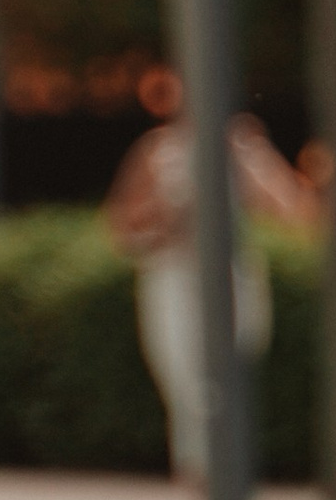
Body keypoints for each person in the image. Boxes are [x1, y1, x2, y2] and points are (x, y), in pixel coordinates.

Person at [103, 107, 318, 480]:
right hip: (172, 272)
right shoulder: (158, 149)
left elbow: (294, 214)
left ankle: (225, 475)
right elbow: (122, 227)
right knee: (188, 381)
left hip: (233, 273)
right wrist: (166, 204)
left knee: (230, 374)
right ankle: (205, 475)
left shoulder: (243, 150)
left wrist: (256, 163)